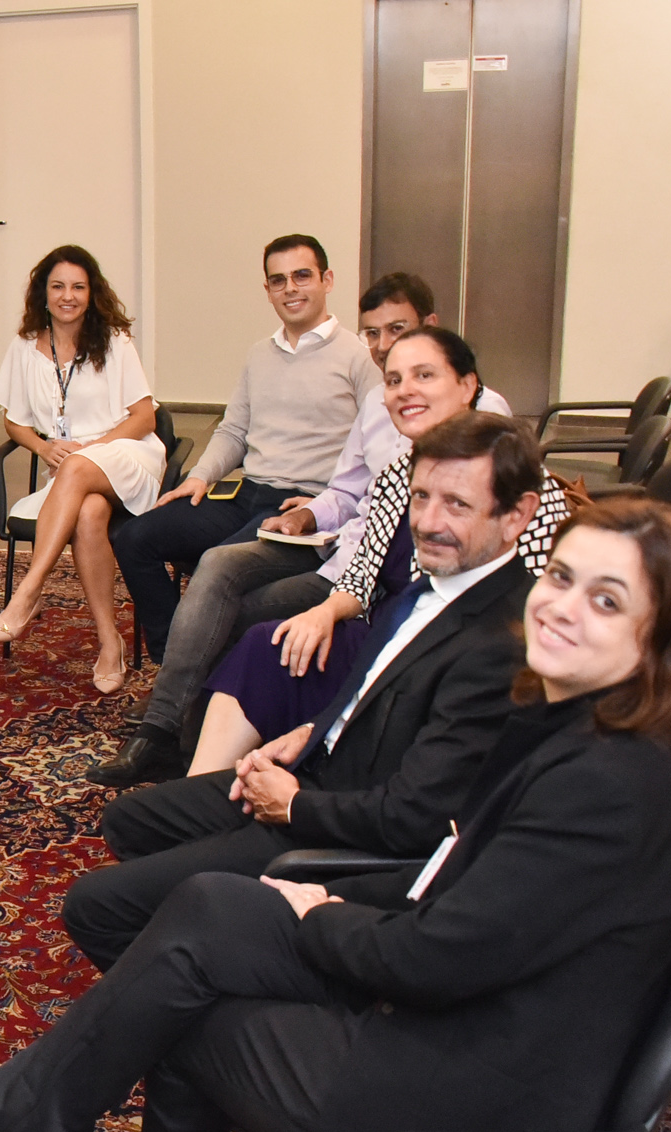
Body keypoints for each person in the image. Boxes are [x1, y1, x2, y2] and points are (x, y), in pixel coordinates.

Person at [0, 496, 671, 1132]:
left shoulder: (608, 786)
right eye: (564, 576)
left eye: (606, 600)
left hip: (474, 1096)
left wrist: (321, 914)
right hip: (466, 1011)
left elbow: (439, 956)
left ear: (663, 642)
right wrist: (315, 902)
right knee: (213, 908)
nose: (563, 605)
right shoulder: (579, 725)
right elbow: (464, 891)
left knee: (186, 1007)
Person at [68, 411, 546, 968]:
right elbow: (371, 687)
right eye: (420, 499)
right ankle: (193, 946)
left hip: (341, 823)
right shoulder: (430, 588)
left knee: (93, 906)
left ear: (517, 517)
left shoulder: (504, 640)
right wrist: (309, 730)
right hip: (319, 770)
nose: (429, 521)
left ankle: (204, 995)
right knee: (129, 820)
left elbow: (412, 818)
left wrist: (294, 807)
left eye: (456, 505)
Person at [90, 277, 512, 783]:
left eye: (403, 341)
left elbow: (511, 575)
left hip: (407, 606)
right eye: (375, 337)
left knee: (239, 616)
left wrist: (333, 606)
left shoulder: (489, 437)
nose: (387, 354)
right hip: (339, 550)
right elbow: (349, 494)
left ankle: (188, 738)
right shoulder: (390, 430)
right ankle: (172, 734)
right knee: (211, 569)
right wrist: (308, 514)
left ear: (463, 379)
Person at [181, 331, 569, 778]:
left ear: (468, 386)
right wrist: (325, 613)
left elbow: (540, 603)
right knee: (272, 642)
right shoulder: (396, 474)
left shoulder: (518, 480)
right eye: (394, 379)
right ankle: (203, 789)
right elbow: (362, 573)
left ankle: (289, 780)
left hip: (461, 661)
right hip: (387, 637)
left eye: (424, 375)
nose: (405, 390)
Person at [112, 235, 380, 662]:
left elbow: (377, 448)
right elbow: (233, 431)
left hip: (302, 505)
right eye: (278, 280)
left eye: (302, 276)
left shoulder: (359, 357)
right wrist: (199, 477)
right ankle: (174, 660)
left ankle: (197, 663)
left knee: (215, 569)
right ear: (268, 291)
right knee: (134, 537)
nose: (290, 288)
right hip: (246, 493)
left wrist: (328, 505)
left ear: (327, 280)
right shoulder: (260, 354)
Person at [0, 245, 163, 693]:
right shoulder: (25, 347)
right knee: (88, 514)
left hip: (126, 452)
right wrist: (43, 447)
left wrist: (92, 449)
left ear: (92, 292)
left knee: (80, 469)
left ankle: (28, 591)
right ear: (43, 294)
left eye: (79, 287)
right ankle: (110, 641)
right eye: (58, 286)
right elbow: (13, 419)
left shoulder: (115, 341)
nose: (69, 296)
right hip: (69, 474)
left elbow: (145, 418)